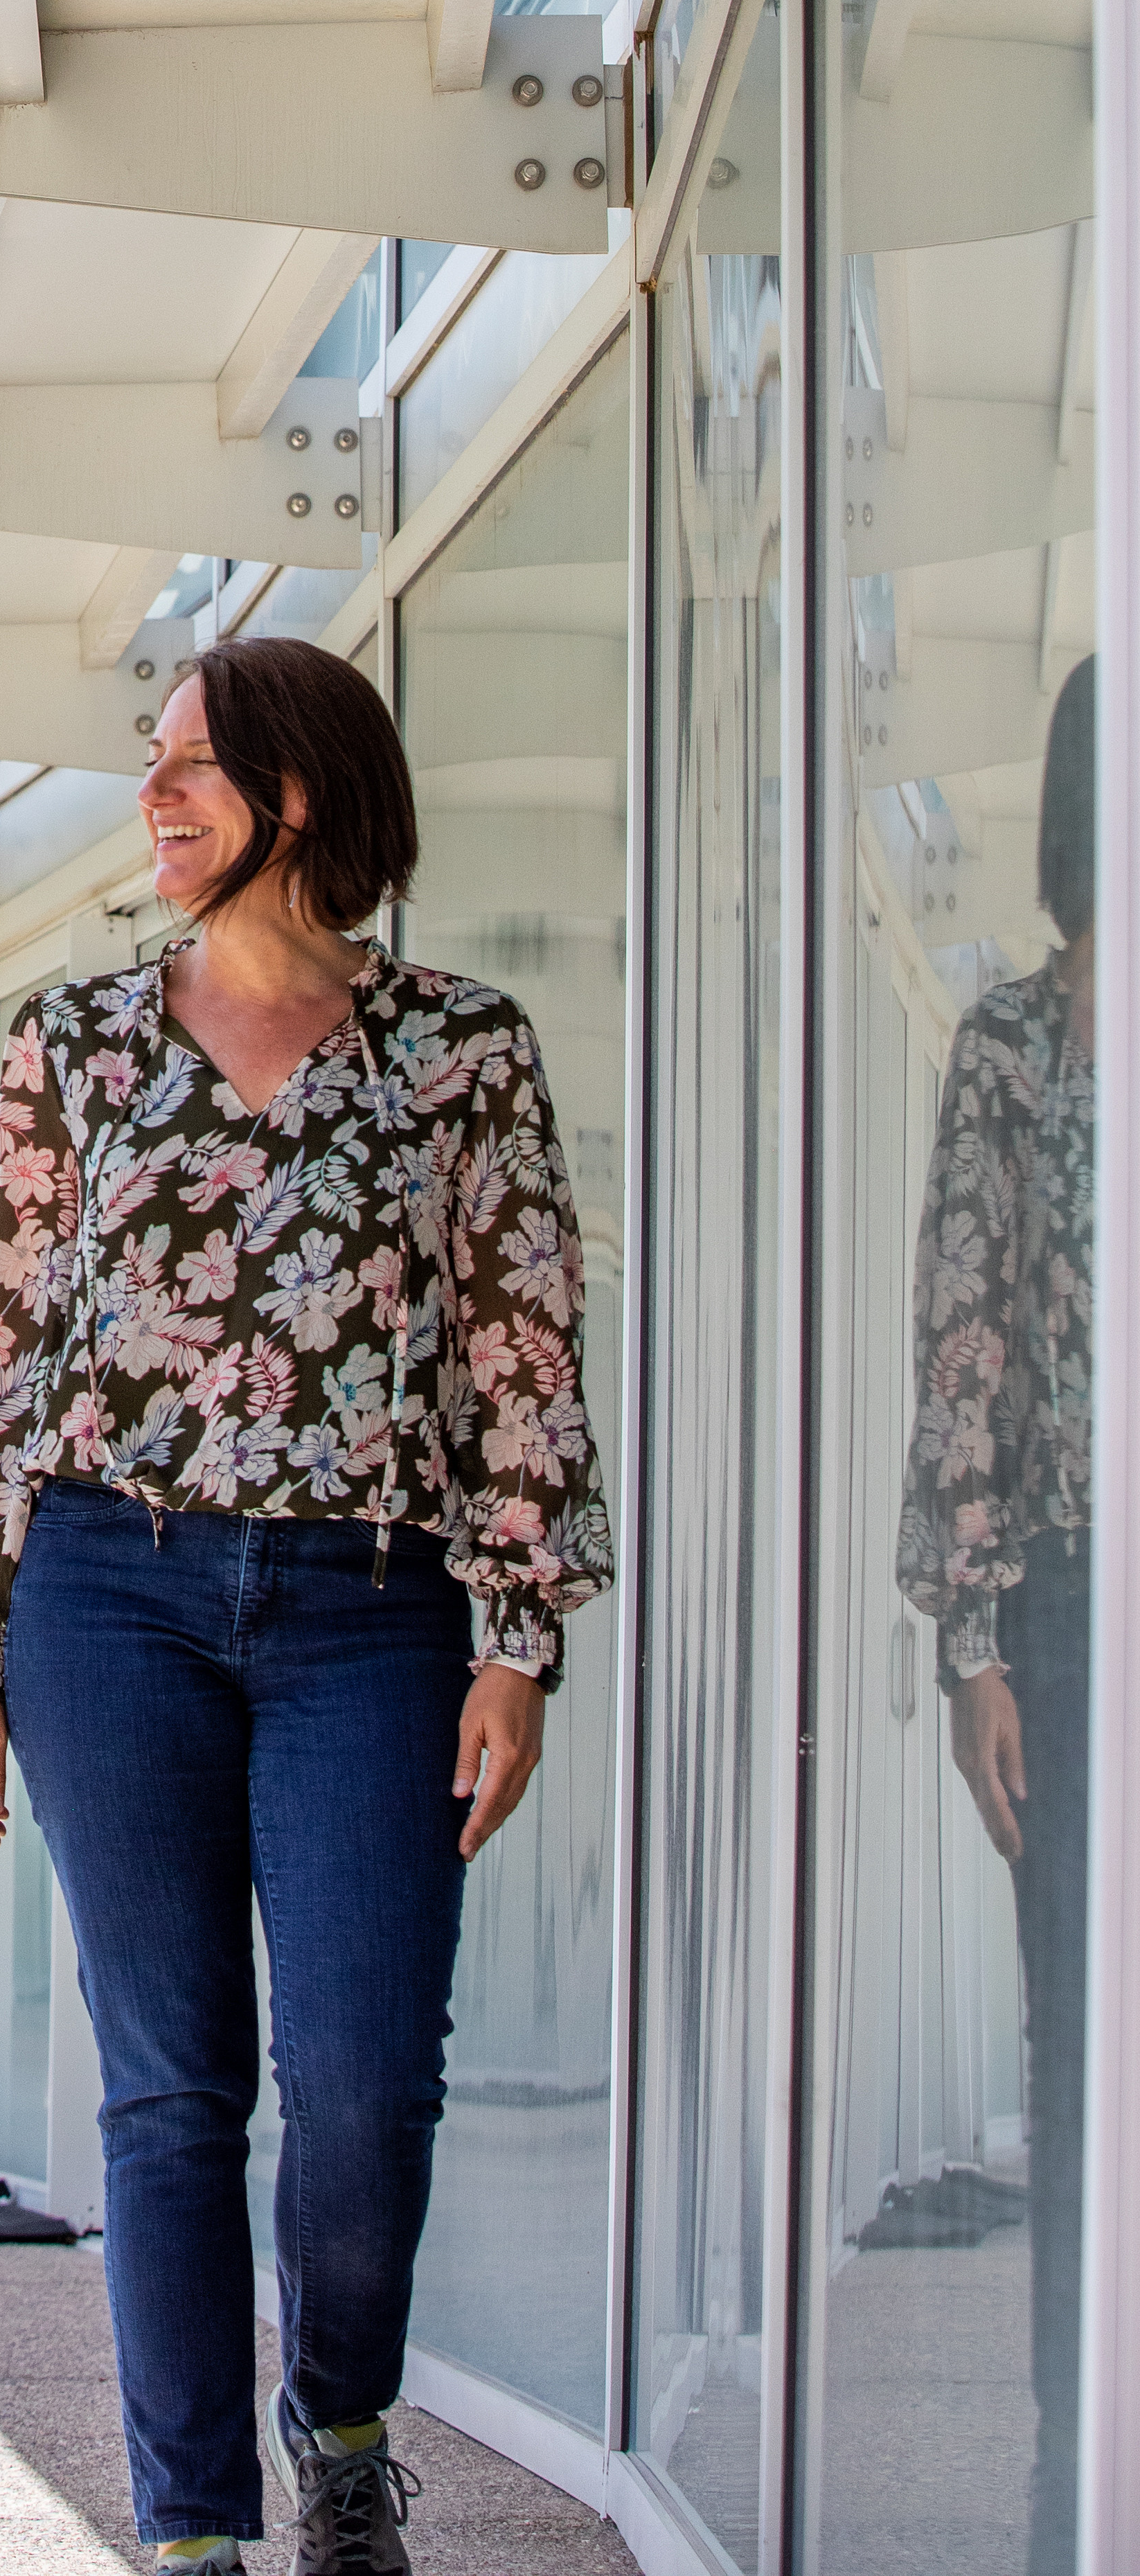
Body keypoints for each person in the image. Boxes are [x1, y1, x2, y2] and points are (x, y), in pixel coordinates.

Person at [0, 636, 611, 2576]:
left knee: (370, 2080)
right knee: (169, 2091)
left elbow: (522, 1355)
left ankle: (348, 2427)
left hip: (373, 1612)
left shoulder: (460, 1051)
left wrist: (520, 1639)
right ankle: (195, 2534)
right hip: (104, 1597)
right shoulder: (75, 1043)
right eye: (152, 765)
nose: (154, 798)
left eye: (194, 768)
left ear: (301, 794)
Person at [896, 653, 1098, 2576]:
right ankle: (1077, 2478)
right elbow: (966, 1348)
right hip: (1071, 1608)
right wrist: (971, 1645)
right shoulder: (1019, 1047)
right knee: (1084, 2053)